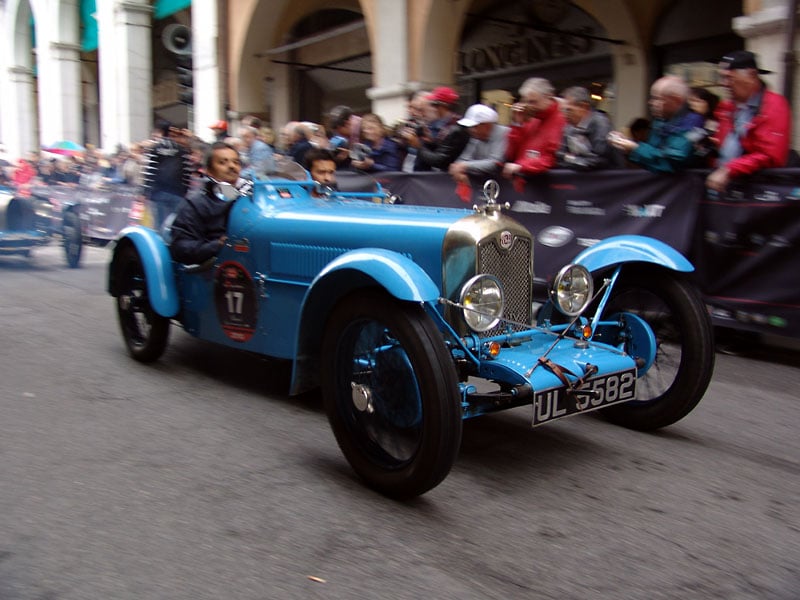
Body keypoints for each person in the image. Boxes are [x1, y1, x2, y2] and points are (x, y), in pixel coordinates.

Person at [706, 50, 792, 193]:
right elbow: (721, 148)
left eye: (729, 78)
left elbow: (770, 155)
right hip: (723, 188)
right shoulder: (726, 107)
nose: (724, 84)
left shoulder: (774, 104)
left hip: (754, 192)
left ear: (751, 75)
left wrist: (729, 170)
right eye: (722, 78)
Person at [608, 75, 704, 173]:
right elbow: (651, 160)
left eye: (657, 98)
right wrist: (627, 146)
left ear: (676, 100)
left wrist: (635, 148)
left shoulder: (693, 123)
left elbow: (670, 163)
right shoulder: (660, 122)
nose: (651, 103)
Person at [169, 142, 245, 265]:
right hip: (212, 270)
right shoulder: (196, 203)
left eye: (235, 162)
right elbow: (181, 248)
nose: (231, 166)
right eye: (222, 162)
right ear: (209, 171)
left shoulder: (249, 196)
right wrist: (217, 245)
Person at [502, 77, 565, 179]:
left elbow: (553, 157)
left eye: (533, 102)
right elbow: (511, 154)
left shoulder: (562, 118)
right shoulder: (530, 118)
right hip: (524, 181)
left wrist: (522, 166)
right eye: (526, 102)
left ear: (548, 97)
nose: (529, 106)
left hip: (546, 183)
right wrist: (517, 124)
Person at [403, 86, 470, 172]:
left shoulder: (455, 128)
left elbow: (440, 161)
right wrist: (430, 142)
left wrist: (418, 146)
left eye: (433, 104)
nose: (432, 108)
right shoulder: (446, 126)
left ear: (442, 107)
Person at [142, 119, 193, 229]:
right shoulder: (181, 149)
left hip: (159, 192)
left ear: (159, 131)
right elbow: (187, 171)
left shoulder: (155, 149)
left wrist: (145, 191)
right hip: (178, 192)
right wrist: (185, 190)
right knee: (175, 223)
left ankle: (161, 245)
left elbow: (150, 170)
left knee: (160, 222)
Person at [557, 86, 619, 170]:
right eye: (563, 110)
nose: (565, 114)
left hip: (609, 179)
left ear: (583, 107)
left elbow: (600, 160)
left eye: (569, 110)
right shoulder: (569, 128)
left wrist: (570, 158)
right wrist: (572, 159)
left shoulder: (601, 124)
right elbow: (560, 155)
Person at [448, 104, 509, 182]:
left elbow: (496, 163)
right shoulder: (476, 137)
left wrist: (465, 166)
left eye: (475, 126)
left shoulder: (503, 133)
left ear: (487, 125)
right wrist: (458, 168)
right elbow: (463, 159)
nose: (471, 130)